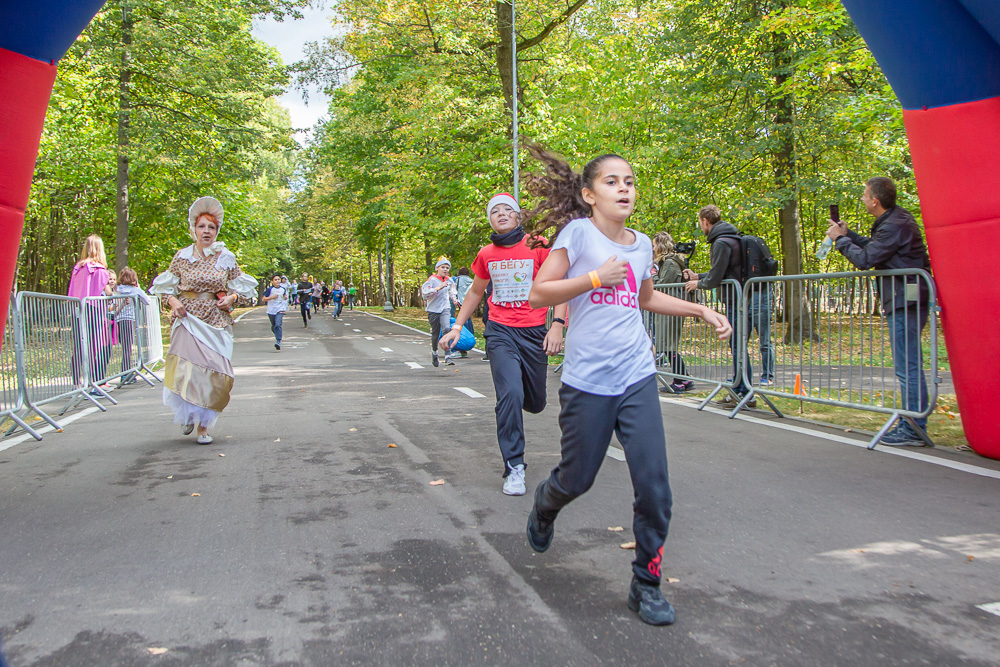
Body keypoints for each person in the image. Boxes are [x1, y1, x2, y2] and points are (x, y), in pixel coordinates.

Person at [521, 148, 731, 626]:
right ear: (589, 195)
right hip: (587, 382)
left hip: (636, 375)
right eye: (612, 182)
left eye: (630, 181)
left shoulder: (640, 246)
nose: (624, 189)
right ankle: (546, 504)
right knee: (579, 478)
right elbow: (538, 292)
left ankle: (646, 583)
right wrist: (594, 276)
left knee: (655, 486)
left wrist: (700, 309)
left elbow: (647, 298)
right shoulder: (576, 234)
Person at [440, 193, 567, 496]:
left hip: (534, 332)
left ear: (518, 216)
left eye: (507, 210)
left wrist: (558, 325)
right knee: (508, 394)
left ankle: (520, 397)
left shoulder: (538, 246)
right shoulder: (486, 253)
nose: (501, 214)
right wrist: (457, 326)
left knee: (534, 403)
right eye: (494, 211)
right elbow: (475, 292)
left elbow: (560, 285)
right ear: (490, 220)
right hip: (499, 332)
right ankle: (514, 467)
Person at [826, 177, 933, 446]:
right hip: (901, 298)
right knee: (906, 364)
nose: (862, 198)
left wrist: (839, 240)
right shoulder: (892, 221)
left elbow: (866, 259)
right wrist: (848, 235)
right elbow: (875, 249)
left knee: (907, 365)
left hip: (905, 300)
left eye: (864, 195)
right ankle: (912, 423)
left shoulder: (896, 224)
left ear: (875, 200)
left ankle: (914, 427)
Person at [151, 196, 257, 445]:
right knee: (186, 371)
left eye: (211, 227)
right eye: (202, 227)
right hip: (187, 320)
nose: (206, 231)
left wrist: (232, 298)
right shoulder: (182, 257)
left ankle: (204, 426)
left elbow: (242, 290)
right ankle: (190, 417)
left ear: (217, 231)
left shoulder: (226, 258)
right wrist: (174, 302)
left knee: (214, 373)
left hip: (215, 322)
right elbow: (165, 288)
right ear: (194, 230)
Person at [682, 205, 765, 408]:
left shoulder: (720, 242)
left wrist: (698, 283)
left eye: (699, 222)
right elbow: (726, 270)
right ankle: (740, 388)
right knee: (737, 343)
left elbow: (717, 275)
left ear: (704, 221)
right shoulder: (731, 237)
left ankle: (743, 391)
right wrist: (699, 276)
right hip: (740, 296)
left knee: (736, 344)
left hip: (736, 300)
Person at [67, 234, 113, 393]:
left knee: (79, 346)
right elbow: (107, 292)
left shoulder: (78, 268)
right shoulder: (99, 270)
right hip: (93, 309)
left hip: (77, 309)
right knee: (95, 346)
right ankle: (95, 383)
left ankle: (76, 383)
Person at [652, 232, 694, 393]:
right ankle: (684, 377)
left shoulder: (669, 263)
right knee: (667, 344)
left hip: (670, 305)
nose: (654, 248)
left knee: (668, 344)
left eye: (655, 245)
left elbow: (664, 283)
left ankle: (681, 379)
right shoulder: (668, 262)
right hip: (668, 305)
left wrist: (652, 277)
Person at [113, 266, 151, 384]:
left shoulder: (116, 289)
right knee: (127, 349)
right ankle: (125, 375)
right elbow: (147, 301)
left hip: (117, 319)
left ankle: (126, 373)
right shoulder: (135, 290)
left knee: (125, 348)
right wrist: (139, 289)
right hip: (128, 320)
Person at [421, 258, 460, 367]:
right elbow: (425, 295)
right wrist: (438, 288)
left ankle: (448, 356)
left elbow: (452, 291)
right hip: (433, 309)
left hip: (445, 308)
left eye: (447, 268)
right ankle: (435, 352)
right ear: (437, 268)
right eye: (443, 267)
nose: (445, 269)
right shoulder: (432, 280)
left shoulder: (450, 280)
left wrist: (454, 298)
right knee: (435, 333)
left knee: (447, 328)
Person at [262, 274, 288, 350]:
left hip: (280, 309)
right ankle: (277, 335)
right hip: (271, 310)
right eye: (275, 280)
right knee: (274, 326)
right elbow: (263, 299)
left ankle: (278, 341)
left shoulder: (283, 289)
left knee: (278, 324)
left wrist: (285, 297)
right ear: (272, 281)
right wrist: (272, 297)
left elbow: (284, 296)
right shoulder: (270, 289)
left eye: (278, 279)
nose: (277, 281)